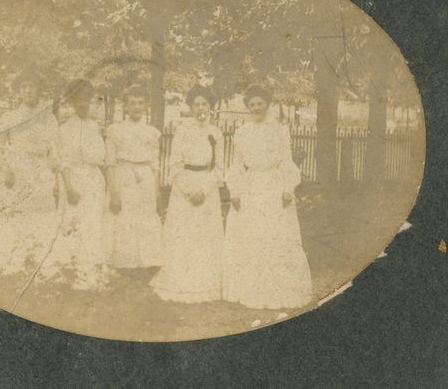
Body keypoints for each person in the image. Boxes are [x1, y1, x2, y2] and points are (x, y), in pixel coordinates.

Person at [222, 84, 313, 309]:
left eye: (260, 104)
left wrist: (287, 188)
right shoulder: (242, 132)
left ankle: (279, 290)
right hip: (251, 186)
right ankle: (250, 290)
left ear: (267, 105)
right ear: (248, 108)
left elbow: (286, 161)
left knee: (276, 235)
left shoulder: (279, 130)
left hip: (273, 185)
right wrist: (234, 191)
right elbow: (236, 164)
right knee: (252, 235)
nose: (256, 108)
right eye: (252, 104)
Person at [0, 75, 60, 285]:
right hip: (15, 173)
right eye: (24, 87)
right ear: (18, 92)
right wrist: (5, 171)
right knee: (11, 217)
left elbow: (55, 152)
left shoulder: (49, 119)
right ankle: (3, 266)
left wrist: (54, 176)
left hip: (41, 174)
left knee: (40, 218)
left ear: (40, 91)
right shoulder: (9, 117)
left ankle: (36, 269)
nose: (28, 91)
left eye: (32, 86)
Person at [150, 85, 225, 303]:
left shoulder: (217, 133)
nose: (201, 108)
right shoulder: (182, 130)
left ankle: (206, 281)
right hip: (185, 189)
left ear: (210, 107)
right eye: (196, 104)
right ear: (190, 107)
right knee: (183, 235)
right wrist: (188, 190)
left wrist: (205, 189)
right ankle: (181, 279)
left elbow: (219, 168)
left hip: (207, 190)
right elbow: (174, 165)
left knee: (205, 235)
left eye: (205, 104)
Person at [38, 79, 111, 291]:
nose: (83, 103)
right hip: (74, 180)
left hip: (94, 180)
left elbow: (101, 157)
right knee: (72, 221)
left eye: (86, 99)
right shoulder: (65, 129)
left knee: (93, 222)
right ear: (71, 101)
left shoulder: (95, 126)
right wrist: (69, 187)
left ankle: (92, 269)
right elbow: (62, 161)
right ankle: (71, 269)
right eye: (78, 99)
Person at [105, 85, 163, 270]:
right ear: (126, 107)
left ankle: (147, 260)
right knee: (124, 217)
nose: (136, 107)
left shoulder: (151, 132)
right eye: (132, 103)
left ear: (146, 105)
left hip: (145, 177)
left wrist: (157, 190)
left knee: (145, 216)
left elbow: (155, 164)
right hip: (125, 176)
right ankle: (124, 261)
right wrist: (114, 193)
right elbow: (110, 164)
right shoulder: (115, 130)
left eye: (140, 103)